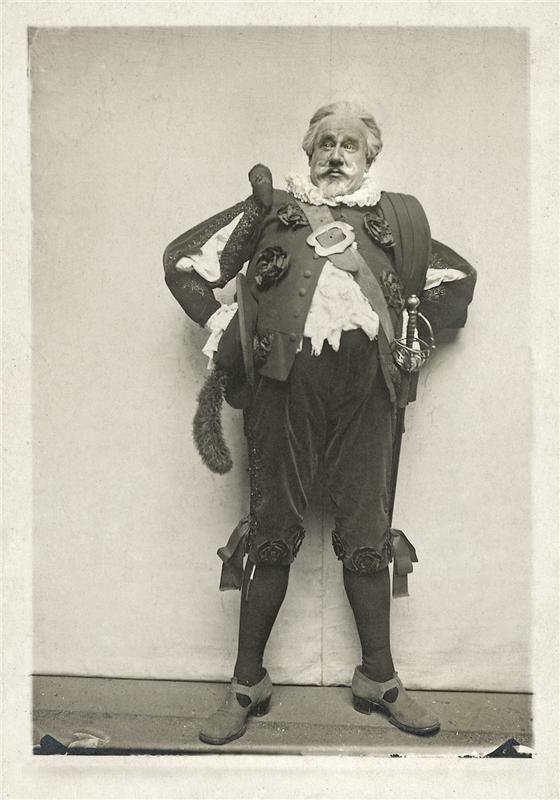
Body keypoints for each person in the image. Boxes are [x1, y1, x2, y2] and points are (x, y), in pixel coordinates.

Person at [163, 101, 476, 745]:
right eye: (325, 143)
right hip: (284, 387)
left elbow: (456, 281)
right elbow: (184, 260)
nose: (336, 154)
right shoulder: (270, 208)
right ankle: (247, 684)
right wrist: (226, 325)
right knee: (273, 527)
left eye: (349, 145)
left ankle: (379, 678)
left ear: (369, 157)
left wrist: (411, 330)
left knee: (367, 528)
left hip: (369, 392)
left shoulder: (398, 219)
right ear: (308, 154)